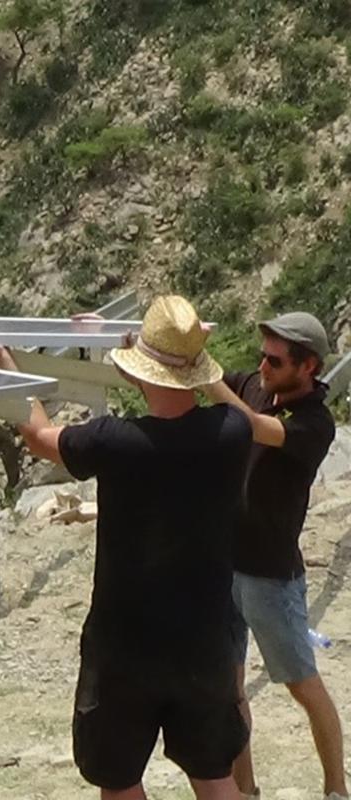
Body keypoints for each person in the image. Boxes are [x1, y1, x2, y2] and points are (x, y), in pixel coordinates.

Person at [0, 295, 252, 800]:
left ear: (140, 372)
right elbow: (225, 403)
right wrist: (184, 353)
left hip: (124, 644)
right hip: (204, 638)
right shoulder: (232, 433)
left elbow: (41, 437)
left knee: (118, 780)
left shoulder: (116, 442)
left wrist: (8, 365)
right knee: (214, 777)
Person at [201, 312, 347, 800]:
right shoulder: (258, 385)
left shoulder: (314, 424)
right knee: (230, 690)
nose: (261, 365)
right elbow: (203, 372)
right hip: (227, 567)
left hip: (270, 577)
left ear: (307, 367)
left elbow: (258, 428)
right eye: (262, 355)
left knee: (304, 687)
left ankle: (335, 789)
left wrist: (219, 388)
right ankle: (246, 791)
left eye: (274, 359)